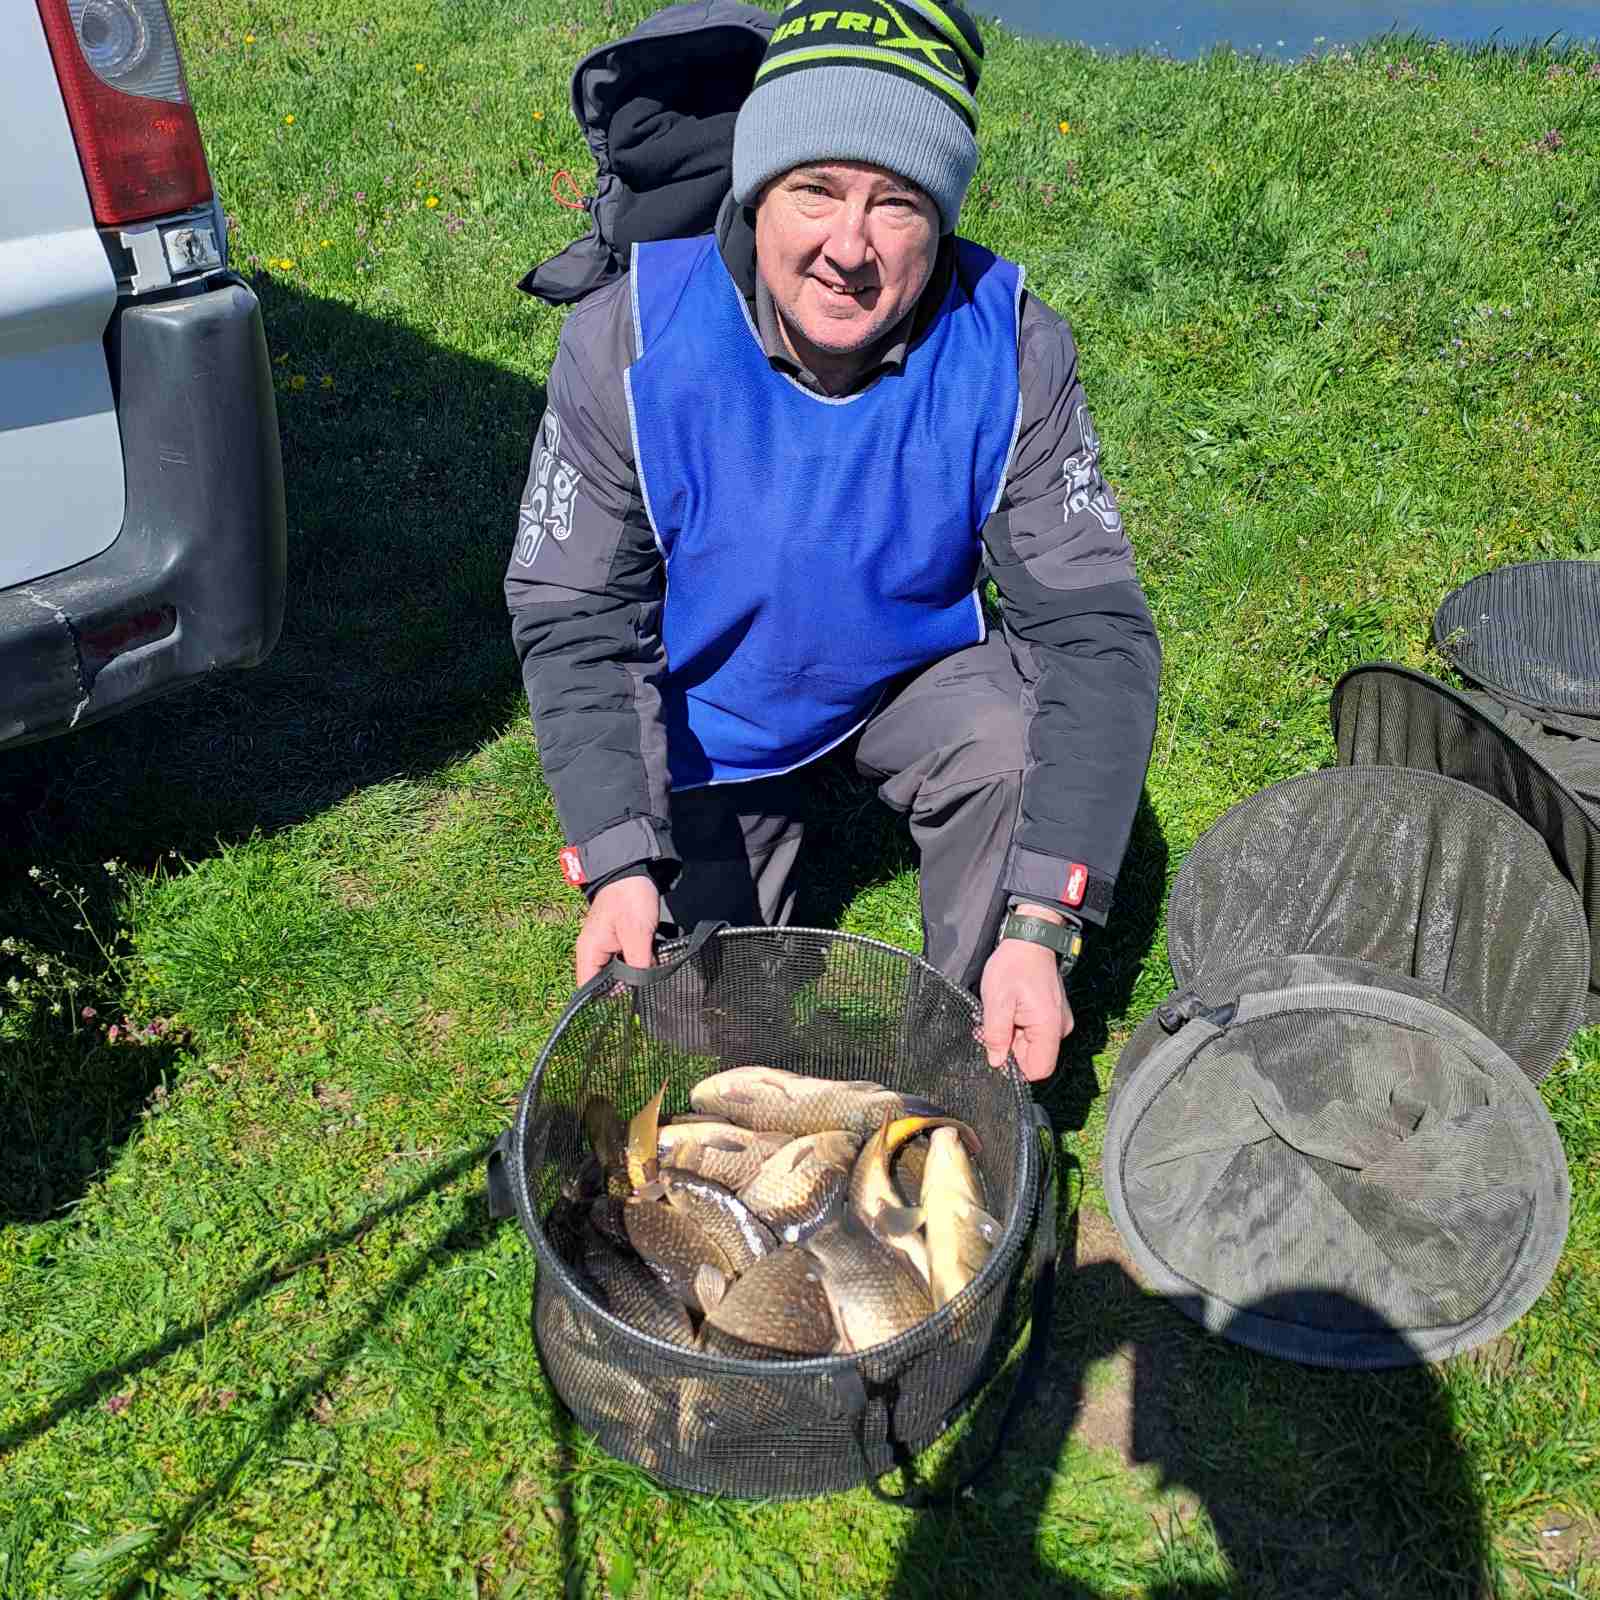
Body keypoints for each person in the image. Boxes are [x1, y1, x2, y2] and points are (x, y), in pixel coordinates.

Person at [505, 0, 1160, 1081]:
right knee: (707, 1039)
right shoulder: (624, 340)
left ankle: (972, 1061)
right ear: (758, 187)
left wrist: (1044, 922)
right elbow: (574, 616)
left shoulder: (1010, 343)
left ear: (942, 217)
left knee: (1011, 739)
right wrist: (617, 859)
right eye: (814, 189)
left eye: (897, 203)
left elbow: (1096, 631)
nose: (847, 250)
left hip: (916, 677)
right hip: (710, 709)